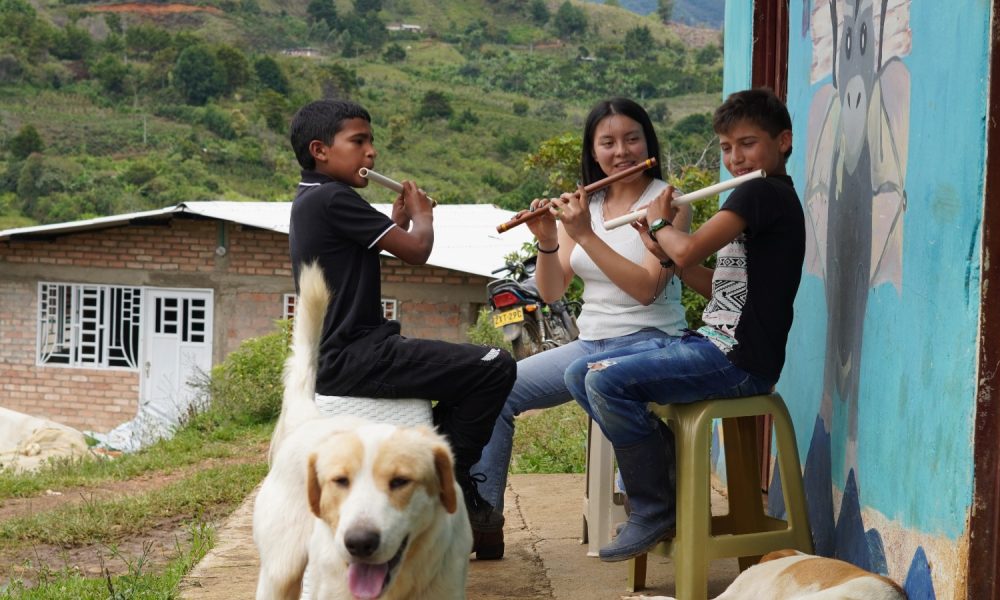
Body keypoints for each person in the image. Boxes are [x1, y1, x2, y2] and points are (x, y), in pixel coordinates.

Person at [564, 88, 805, 562]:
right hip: (714, 343)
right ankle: (666, 462)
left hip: (738, 359)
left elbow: (689, 247)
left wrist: (661, 225)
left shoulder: (761, 192)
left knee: (605, 381)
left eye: (748, 144)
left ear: (783, 141)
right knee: (579, 373)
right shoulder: (759, 197)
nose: (736, 158)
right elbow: (717, 285)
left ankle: (654, 506)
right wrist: (664, 252)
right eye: (727, 148)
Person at [287, 99, 517, 558]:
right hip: (358, 356)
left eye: (371, 142)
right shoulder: (334, 198)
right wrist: (423, 215)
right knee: (495, 365)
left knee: (466, 372)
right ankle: (446, 482)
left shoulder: (311, 198)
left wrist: (396, 222)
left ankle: (439, 476)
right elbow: (416, 251)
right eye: (358, 141)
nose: (371, 152)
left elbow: (367, 249)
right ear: (320, 150)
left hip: (344, 356)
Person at [469, 97, 690, 559]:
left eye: (632, 139)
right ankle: (483, 520)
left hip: (651, 340)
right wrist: (549, 240)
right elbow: (552, 292)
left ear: (648, 142)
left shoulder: (668, 203)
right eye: (608, 142)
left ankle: (647, 482)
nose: (621, 151)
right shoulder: (584, 206)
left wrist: (586, 232)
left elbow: (646, 289)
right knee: (496, 388)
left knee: (596, 377)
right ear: (593, 151)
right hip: (591, 343)